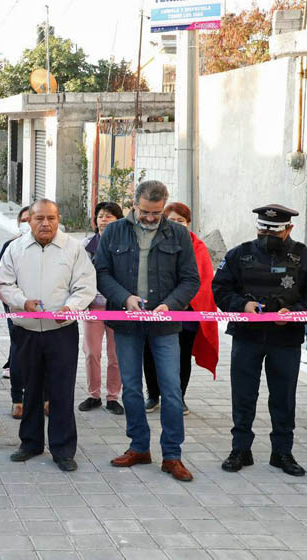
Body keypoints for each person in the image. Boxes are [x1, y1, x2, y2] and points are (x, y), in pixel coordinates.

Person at [94, 180, 199, 482]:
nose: (151, 218)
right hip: (127, 323)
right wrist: (124, 298)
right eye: (145, 212)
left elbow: (190, 280)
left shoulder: (179, 234)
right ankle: (139, 446)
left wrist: (170, 305)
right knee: (131, 388)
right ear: (134, 203)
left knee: (171, 389)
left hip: (165, 325)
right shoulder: (114, 231)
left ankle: (172, 455)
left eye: (157, 213)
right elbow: (100, 272)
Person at [0, 199, 97, 472]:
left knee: (61, 391)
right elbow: (3, 284)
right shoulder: (15, 248)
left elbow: (86, 286)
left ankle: (63, 449)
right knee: (31, 390)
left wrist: (71, 308)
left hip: (60, 331)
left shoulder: (74, 248)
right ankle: (30, 443)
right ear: (28, 220)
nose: (45, 223)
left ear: (58, 218)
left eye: (51, 218)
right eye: (39, 218)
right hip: (26, 330)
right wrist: (22, 301)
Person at [213, 204, 307, 477]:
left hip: (286, 338)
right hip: (247, 336)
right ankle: (240, 449)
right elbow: (220, 289)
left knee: (283, 397)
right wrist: (242, 305)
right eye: (262, 228)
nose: (266, 234)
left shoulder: (304, 257)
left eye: (274, 230)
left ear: (289, 229)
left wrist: (292, 313)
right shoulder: (239, 254)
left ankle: (282, 452)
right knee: (243, 395)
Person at [143, 202, 219, 416]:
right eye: (172, 220)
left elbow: (203, 280)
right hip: (156, 309)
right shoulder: (152, 242)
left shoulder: (197, 246)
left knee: (181, 356)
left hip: (187, 311)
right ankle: (153, 395)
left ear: (188, 223)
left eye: (181, 221)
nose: (176, 225)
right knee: (150, 352)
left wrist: (180, 301)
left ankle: (179, 396)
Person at [78, 202, 125, 415]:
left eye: (109, 216)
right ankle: (93, 394)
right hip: (93, 306)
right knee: (91, 353)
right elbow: (79, 276)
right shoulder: (86, 245)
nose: (104, 220)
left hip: (118, 307)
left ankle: (113, 396)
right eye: (100, 216)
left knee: (116, 355)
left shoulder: (126, 244)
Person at [0, 206, 32, 418]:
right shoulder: (10, 246)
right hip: (18, 310)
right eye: (25, 219)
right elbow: (3, 282)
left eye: (33, 219)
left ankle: (46, 398)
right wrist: (17, 303)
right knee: (18, 354)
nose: (29, 223)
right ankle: (17, 399)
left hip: (46, 314)